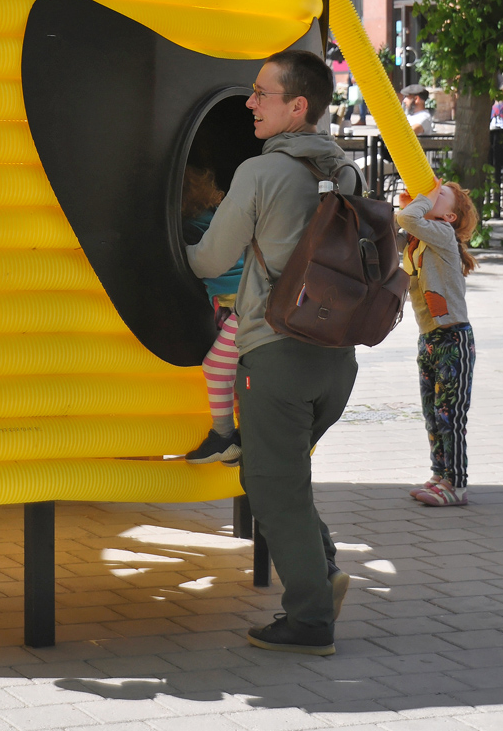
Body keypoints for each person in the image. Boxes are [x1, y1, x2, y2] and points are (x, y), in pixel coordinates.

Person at [187, 49, 359, 657]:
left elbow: (211, 260)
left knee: (269, 481)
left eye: (262, 93)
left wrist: (170, 251)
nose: (250, 103)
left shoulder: (261, 175)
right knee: (285, 475)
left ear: (298, 106)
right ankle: (326, 572)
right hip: (337, 356)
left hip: (277, 352)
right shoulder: (344, 172)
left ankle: (310, 619)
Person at [396, 180, 478, 507]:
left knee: (450, 415)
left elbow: (407, 217)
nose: (433, 190)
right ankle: (439, 474)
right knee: (433, 413)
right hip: (429, 338)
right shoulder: (420, 243)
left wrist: (421, 199)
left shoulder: (442, 237)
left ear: (449, 218)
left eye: (440, 194)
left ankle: (455, 484)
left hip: (452, 337)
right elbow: (404, 219)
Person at [181, 165, 244, 465]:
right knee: (236, 372)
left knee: (216, 366)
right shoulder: (215, 217)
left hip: (244, 306)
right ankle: (238, 437)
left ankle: (223, 437)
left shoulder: (190, 227)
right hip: (244, 304)